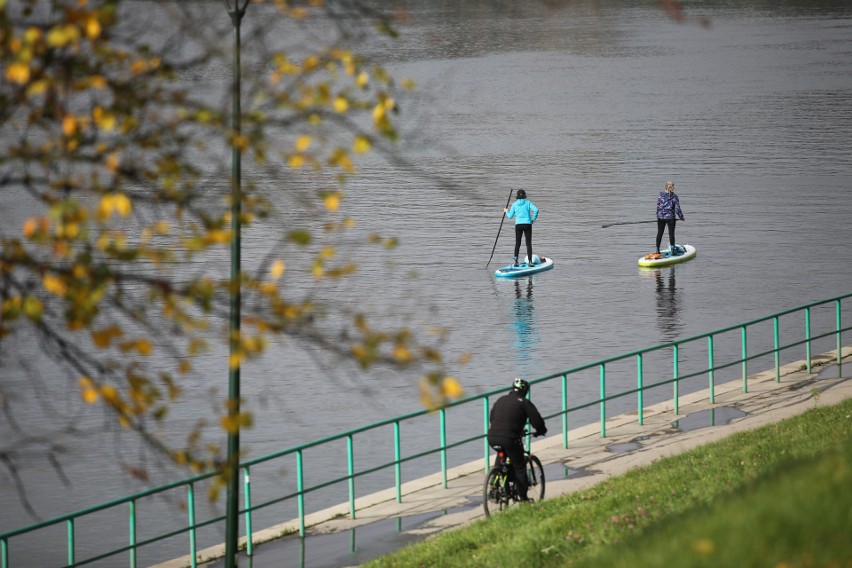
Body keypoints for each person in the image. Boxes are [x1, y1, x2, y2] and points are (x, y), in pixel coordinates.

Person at [487, 378, 547, 502]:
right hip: (510, 438)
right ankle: (523, 498)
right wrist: (541, 430)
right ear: (525, 391)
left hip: (492, 437)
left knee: (502, 453)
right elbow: (536, 420)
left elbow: (492, 418)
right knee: (519, 467)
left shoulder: (501, 400)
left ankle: (495, 480)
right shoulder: (524, 402)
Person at [504, 189, 539, 267]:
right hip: (527, 224)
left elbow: (510, 216)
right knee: (528, 244)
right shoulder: (528, 202)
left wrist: (506, 211)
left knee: (517, 244)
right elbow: (536, 210)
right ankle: (530, 262)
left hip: (518, 225)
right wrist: (533, 219)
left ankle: (516, 262)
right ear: (524, 196)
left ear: (517, 197)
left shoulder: (514, 204)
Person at [655, 180, 685, 254]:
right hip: (670, 218)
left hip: (660, 217)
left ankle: (657, 250)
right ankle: (673, 250)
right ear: (673, 187)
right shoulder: (675, 197)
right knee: (671, 234)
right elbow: (677, 209)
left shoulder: (660, 195)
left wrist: (658, 215)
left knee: (659, 233)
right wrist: (681, 217)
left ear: (665, 187)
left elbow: (658, 206)